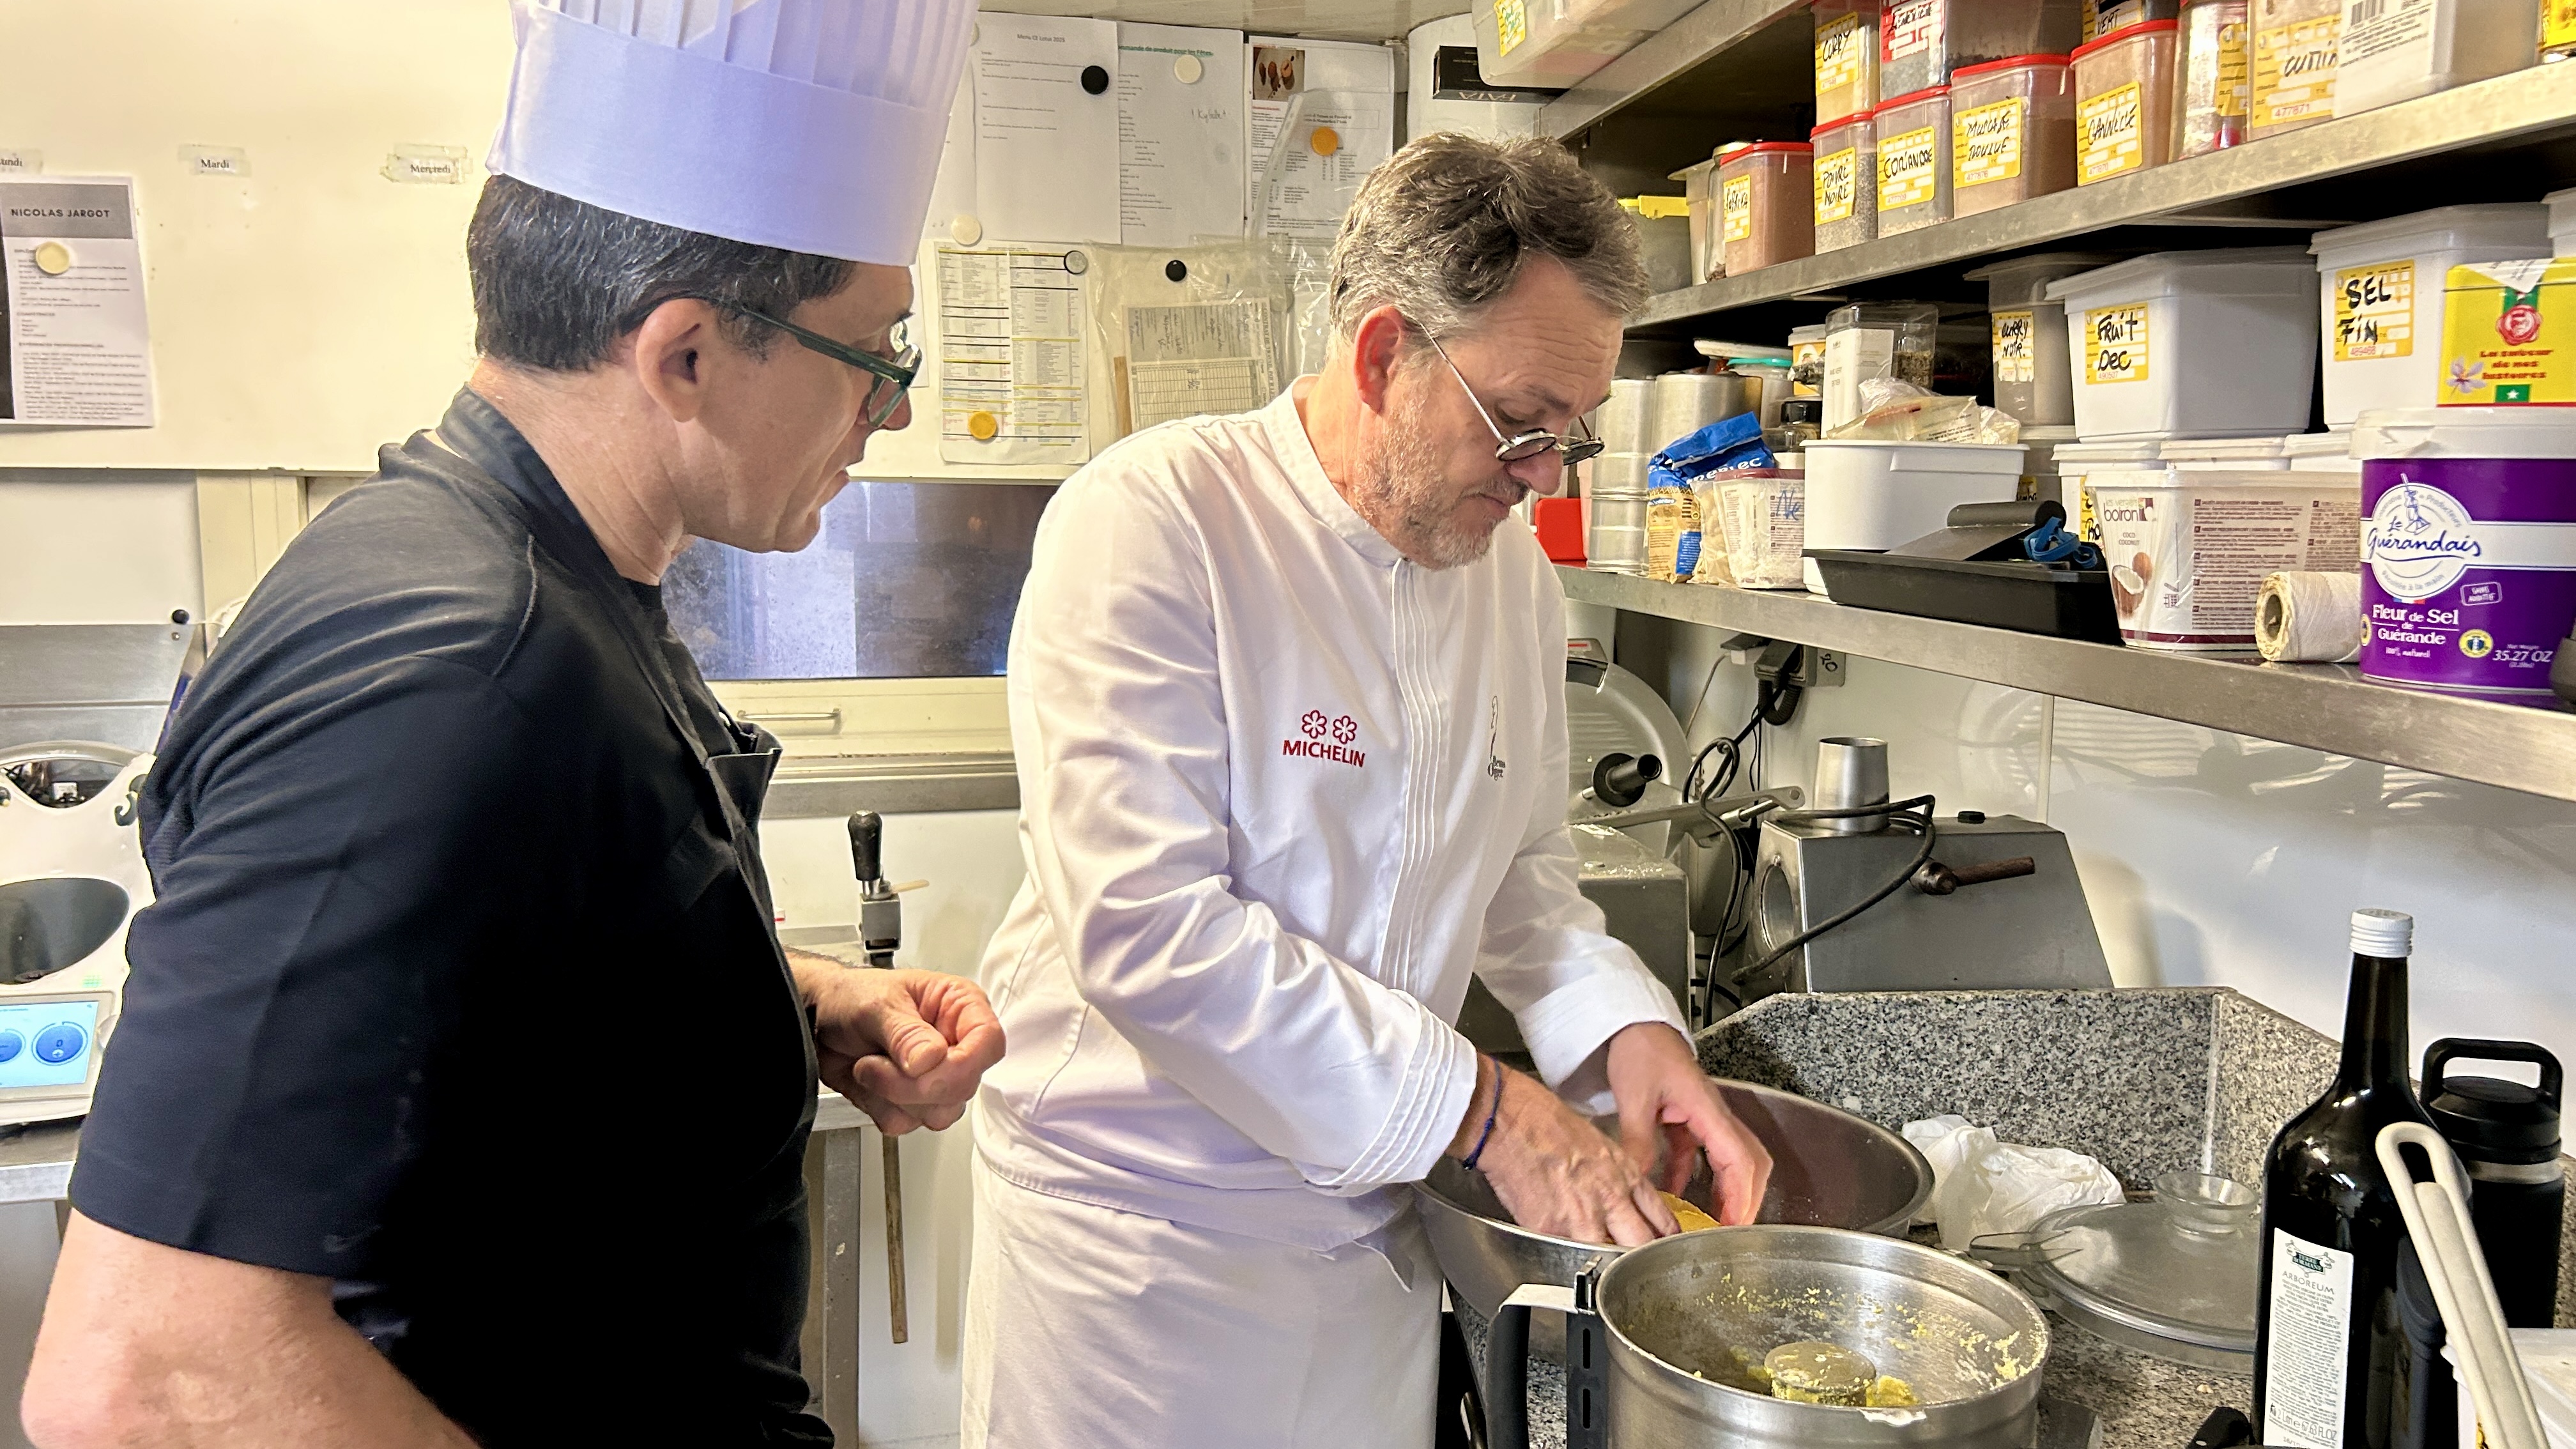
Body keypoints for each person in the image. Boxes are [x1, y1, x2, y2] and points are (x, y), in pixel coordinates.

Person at [21, 3, 999, 1446]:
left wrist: (785, 1003)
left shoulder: (548, 583)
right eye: (874, 350)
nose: (891, 409)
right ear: (683, 355)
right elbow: (153, 1374)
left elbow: (505, 991)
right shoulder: (450, 664)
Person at [960, 132, 1778, 1449]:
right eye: (1522, 422)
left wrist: (1632, 1037)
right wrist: (1489, 1113)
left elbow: (1523, 876)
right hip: (1141, 1260)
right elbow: (1148, 932)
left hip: (1373, 1241)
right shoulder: (1156, 521)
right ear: (1386, 352)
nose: (1544, 476)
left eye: (1572, 434)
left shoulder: (1512, 580)